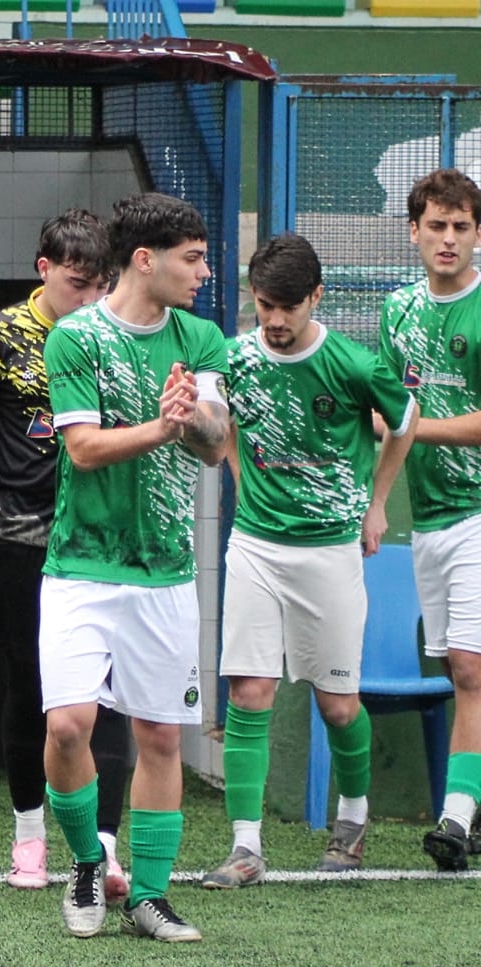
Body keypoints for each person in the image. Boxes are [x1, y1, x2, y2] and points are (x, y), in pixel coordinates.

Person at [39, 192, 228, 942]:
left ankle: (149, 896)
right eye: (194, 259)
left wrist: (194, 418)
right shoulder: (76, 337)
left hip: (166, 571)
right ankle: (89, 861)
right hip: (81, 566)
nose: (205, 273)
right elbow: (83, 448)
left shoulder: (201, 338)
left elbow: (214, 445)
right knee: (67, 727)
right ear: (145, 260)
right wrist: (162, 425)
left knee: (161, 737)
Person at [202, 233, 418, 889]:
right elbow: (220, 424)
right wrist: (239, 472)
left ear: (316, 298)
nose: (275, 319)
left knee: (338, 706)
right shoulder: (233, 358)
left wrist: (376, 505)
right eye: (265, 304)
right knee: (249, 691)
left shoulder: (354, 364)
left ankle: (352, 821)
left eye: (288, 307)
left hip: (330, 549)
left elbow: (405, 421)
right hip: (256, 546)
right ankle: (245, 847)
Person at [0, 209, 134, 897]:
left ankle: (103, 847)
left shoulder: (119, 336)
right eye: (78, 284)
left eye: (101, 286)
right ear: (44, 269)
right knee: (31, 687)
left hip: (103, 538)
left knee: (104, 693)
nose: (90, 299)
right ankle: (28, 836)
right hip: (20, 538)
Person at [379, 167, 481, 871]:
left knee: (470, 670)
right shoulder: (397, 310)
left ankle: (455, 818)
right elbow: (389, 412)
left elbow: (407, 422)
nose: (448, 239)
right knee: (455, 666)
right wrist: (376, 502)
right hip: (430, 520)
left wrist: (413, 428)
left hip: (479, 511)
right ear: (414, 231)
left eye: (461, 227)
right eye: (436, 226)